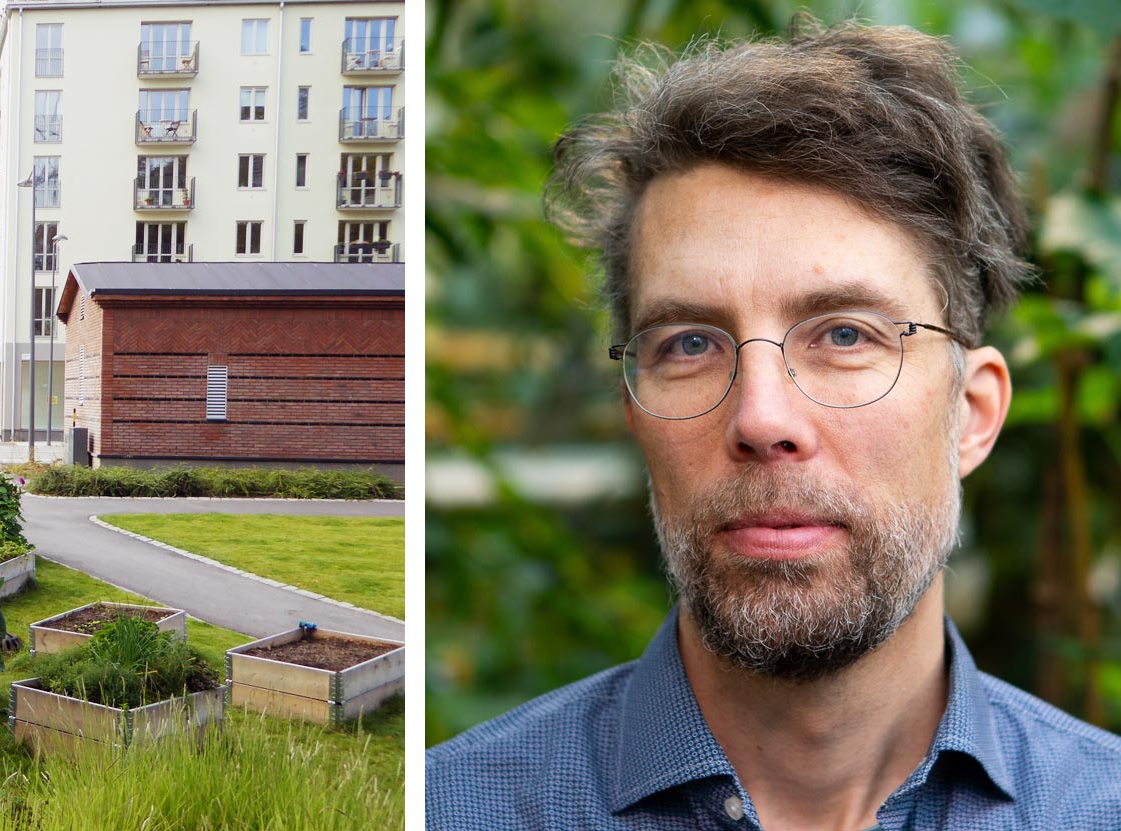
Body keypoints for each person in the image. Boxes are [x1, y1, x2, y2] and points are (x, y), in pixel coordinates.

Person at [425, 21, 1121, 830]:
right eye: (689, 344)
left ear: (971, 415)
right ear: (635, 415)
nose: (761, 418)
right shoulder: (454, 806)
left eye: (846, 335)